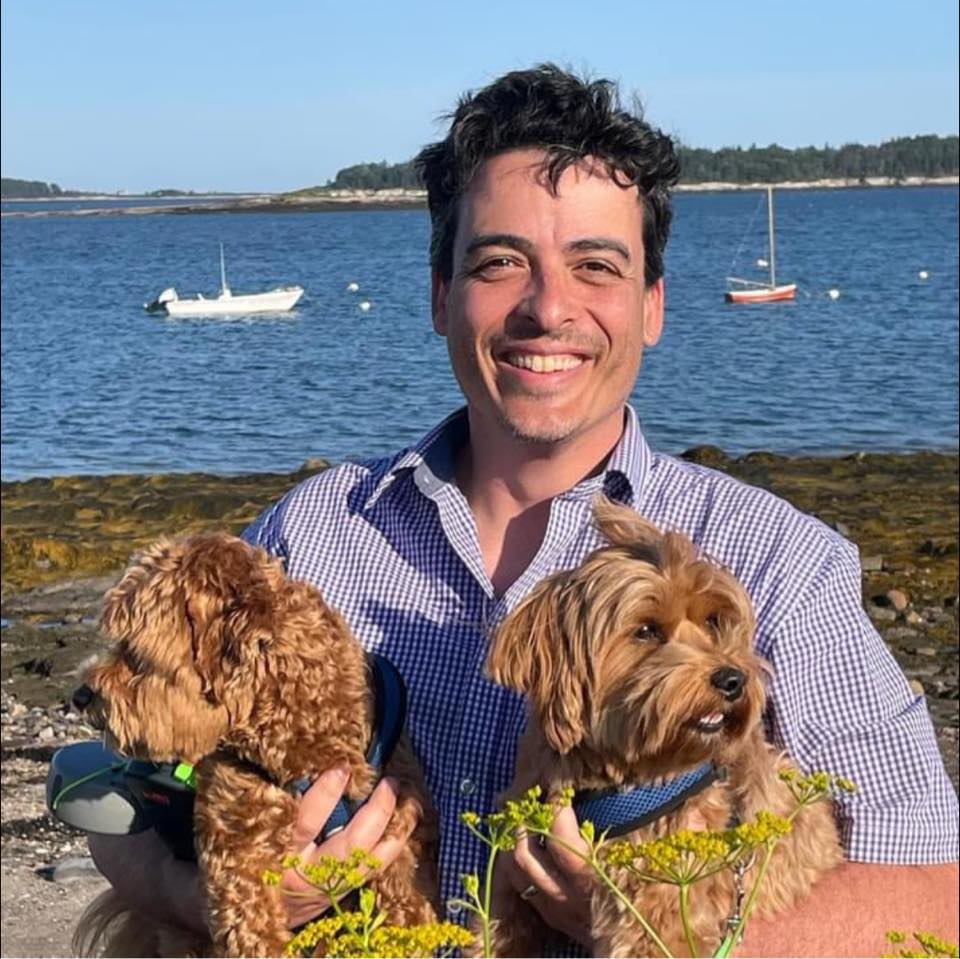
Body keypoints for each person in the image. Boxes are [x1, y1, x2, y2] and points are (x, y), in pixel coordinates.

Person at [90, 64, 958, 955]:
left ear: (652, 304)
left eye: (596, 265)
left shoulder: (781, 563)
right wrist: (245, 899)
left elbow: (933, 894)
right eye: (502, 262)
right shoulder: (312, 535)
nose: (548, 308)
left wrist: (652, 928)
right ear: (440, 294)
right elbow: (119, 809)